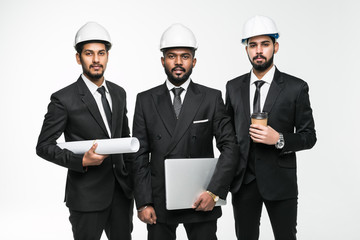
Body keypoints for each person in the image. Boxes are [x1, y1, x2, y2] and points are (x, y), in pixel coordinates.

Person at [132, 23, 238, 240]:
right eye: (172, 56)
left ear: (194, 61)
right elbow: (139, 155)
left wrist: (214, 192)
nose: (178, 62)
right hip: (159, 201)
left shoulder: (211, 98)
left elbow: (230, 147)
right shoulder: (145, 100)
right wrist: (143, 201)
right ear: (162, 60)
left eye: (185, 56)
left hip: (201, 198)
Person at [36, 22, 133, 240]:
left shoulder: (119, 93)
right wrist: (81, 161)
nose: (96, 60)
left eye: (101, 53)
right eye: (89, 54)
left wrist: (133, 184)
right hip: (87, 197)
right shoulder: (63, 99)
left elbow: (125, 140)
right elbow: (43, 147)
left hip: (121, 195)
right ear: (79, 58)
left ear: (107, 56)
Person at [226, 15, 317, 240]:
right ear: (246, 49)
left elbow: (309, 136)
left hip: (280, 183)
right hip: (243, 183)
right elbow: (227, 135)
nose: (259, 50)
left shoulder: (295, 87)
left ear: (275, 46)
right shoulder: (233, 87)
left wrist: (279, 139)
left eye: (265, 44)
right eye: (253, 45)